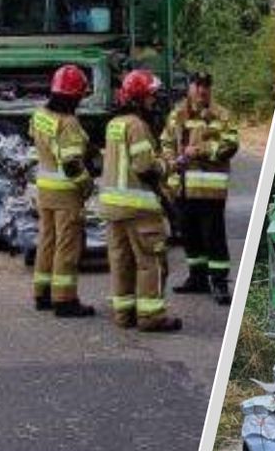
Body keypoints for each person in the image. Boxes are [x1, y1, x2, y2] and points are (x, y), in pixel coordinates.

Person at [98, 69, 182, 332]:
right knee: (151, 261)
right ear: (140, 97)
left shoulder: (115, 124)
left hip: (113, 209)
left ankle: (124, 314)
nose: (153, 101)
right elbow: (145, 166)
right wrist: (168, 164)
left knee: (121, 262)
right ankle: (151, 316)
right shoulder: (137, 125)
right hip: (139, 208)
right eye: (151, 96)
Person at [162, 72, 238, 305]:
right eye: (197, 85)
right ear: (190, 88)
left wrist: (201, 151)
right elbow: (166, 142)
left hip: (210, 190)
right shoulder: (177, 114)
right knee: (189, 234)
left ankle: (219, 282)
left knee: (213, 236)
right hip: (183, 188)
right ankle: (197, 278)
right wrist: (171, 161)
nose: (202, 90)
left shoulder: (221, 115)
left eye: (206, 86)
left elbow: (230, 145)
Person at [29, 65, 96, 317]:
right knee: (67, 246)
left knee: (47, 242)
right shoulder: (68, 124)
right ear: (73, 96)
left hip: (44, 191)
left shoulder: (40, 115)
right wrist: (87, 184)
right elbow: (71, 165)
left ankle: (42, 293)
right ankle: (65, 300)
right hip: (66, 194)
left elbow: (37, 141)